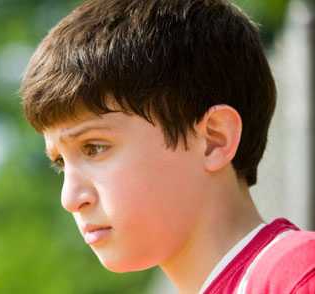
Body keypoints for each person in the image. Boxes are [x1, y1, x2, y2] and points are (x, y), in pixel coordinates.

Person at [19, 0, 315, 292]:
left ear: (214, 139)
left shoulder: (297, 276)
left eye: (94, 147)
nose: (70, 198)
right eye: (60, 162)